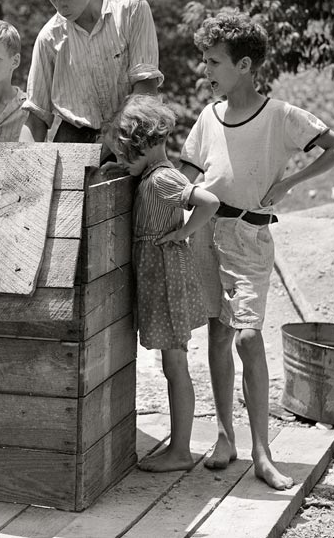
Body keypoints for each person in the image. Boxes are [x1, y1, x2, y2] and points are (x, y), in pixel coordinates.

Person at [180, 10, 334, 489]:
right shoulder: (208, 117)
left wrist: (291, 182)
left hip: (251, 238)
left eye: (214, 62)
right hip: (206, 235)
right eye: (205, 61)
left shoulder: (280, 115)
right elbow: (196, 174)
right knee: (216, 333)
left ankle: (263, 452)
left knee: (247, 337)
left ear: (246, 65)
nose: (206, 71)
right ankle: (224, 437)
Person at [105, 95, 220, 472]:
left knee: (175, 367)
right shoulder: (150, 176)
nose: (125, 163)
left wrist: (181, 233)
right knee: (173, 365)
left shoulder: (162, 178)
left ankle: (181, 451)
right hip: (160, 278)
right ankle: (180, 445)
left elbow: (209, 202)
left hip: (167, 282)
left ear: (147, 143)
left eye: (128, 154)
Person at [21, 0, 163, 148]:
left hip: (132, 132)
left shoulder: (132, 10)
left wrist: (115, 143)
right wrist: (22, 166)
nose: (60, 6)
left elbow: (145, 89)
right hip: (74, 139)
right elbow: (37, 116)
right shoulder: (48, 38)